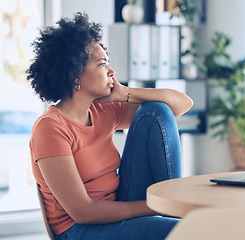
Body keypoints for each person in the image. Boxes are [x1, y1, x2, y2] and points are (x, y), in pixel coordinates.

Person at [27, 12, 193, 240]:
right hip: (79, 228)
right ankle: (172, 213)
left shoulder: (102, 110)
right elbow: (83, 211)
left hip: (117, 206)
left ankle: (172, 206)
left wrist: (125, 93)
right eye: (102, 64)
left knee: (156, 110)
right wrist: (153, 207)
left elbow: (181, 105)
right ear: (75, 73)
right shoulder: (50, 128)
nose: (111, 72)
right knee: (185, 231)